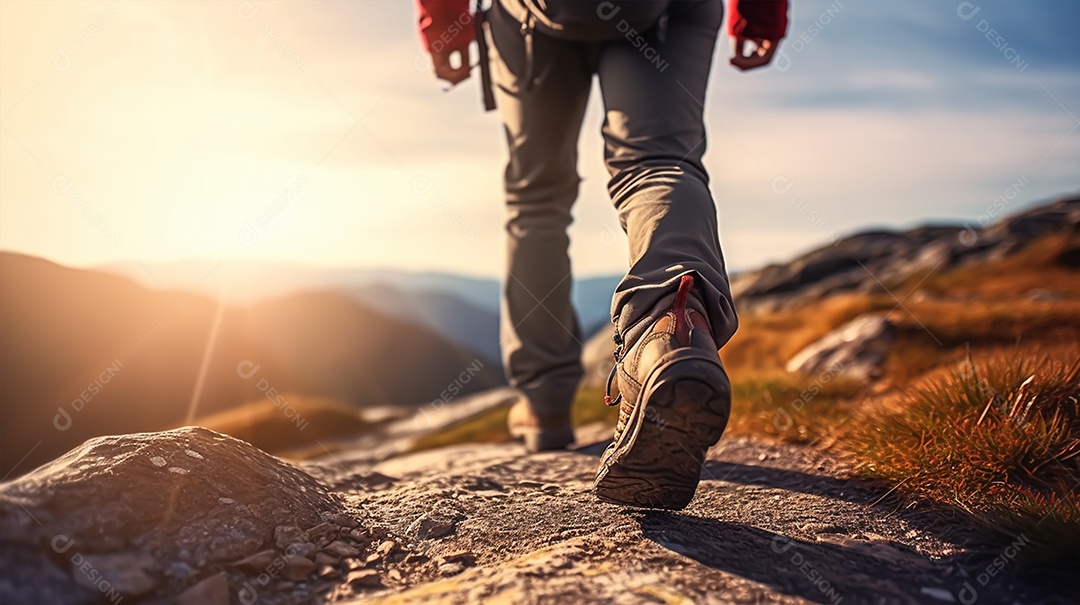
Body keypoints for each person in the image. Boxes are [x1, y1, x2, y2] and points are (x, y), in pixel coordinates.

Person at [415, 0, 787, 510]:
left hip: (533, 16)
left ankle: (544, 404)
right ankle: (670, 330)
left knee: (536, 200)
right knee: (660, 161)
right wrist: (761, 14)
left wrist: (443, 21)